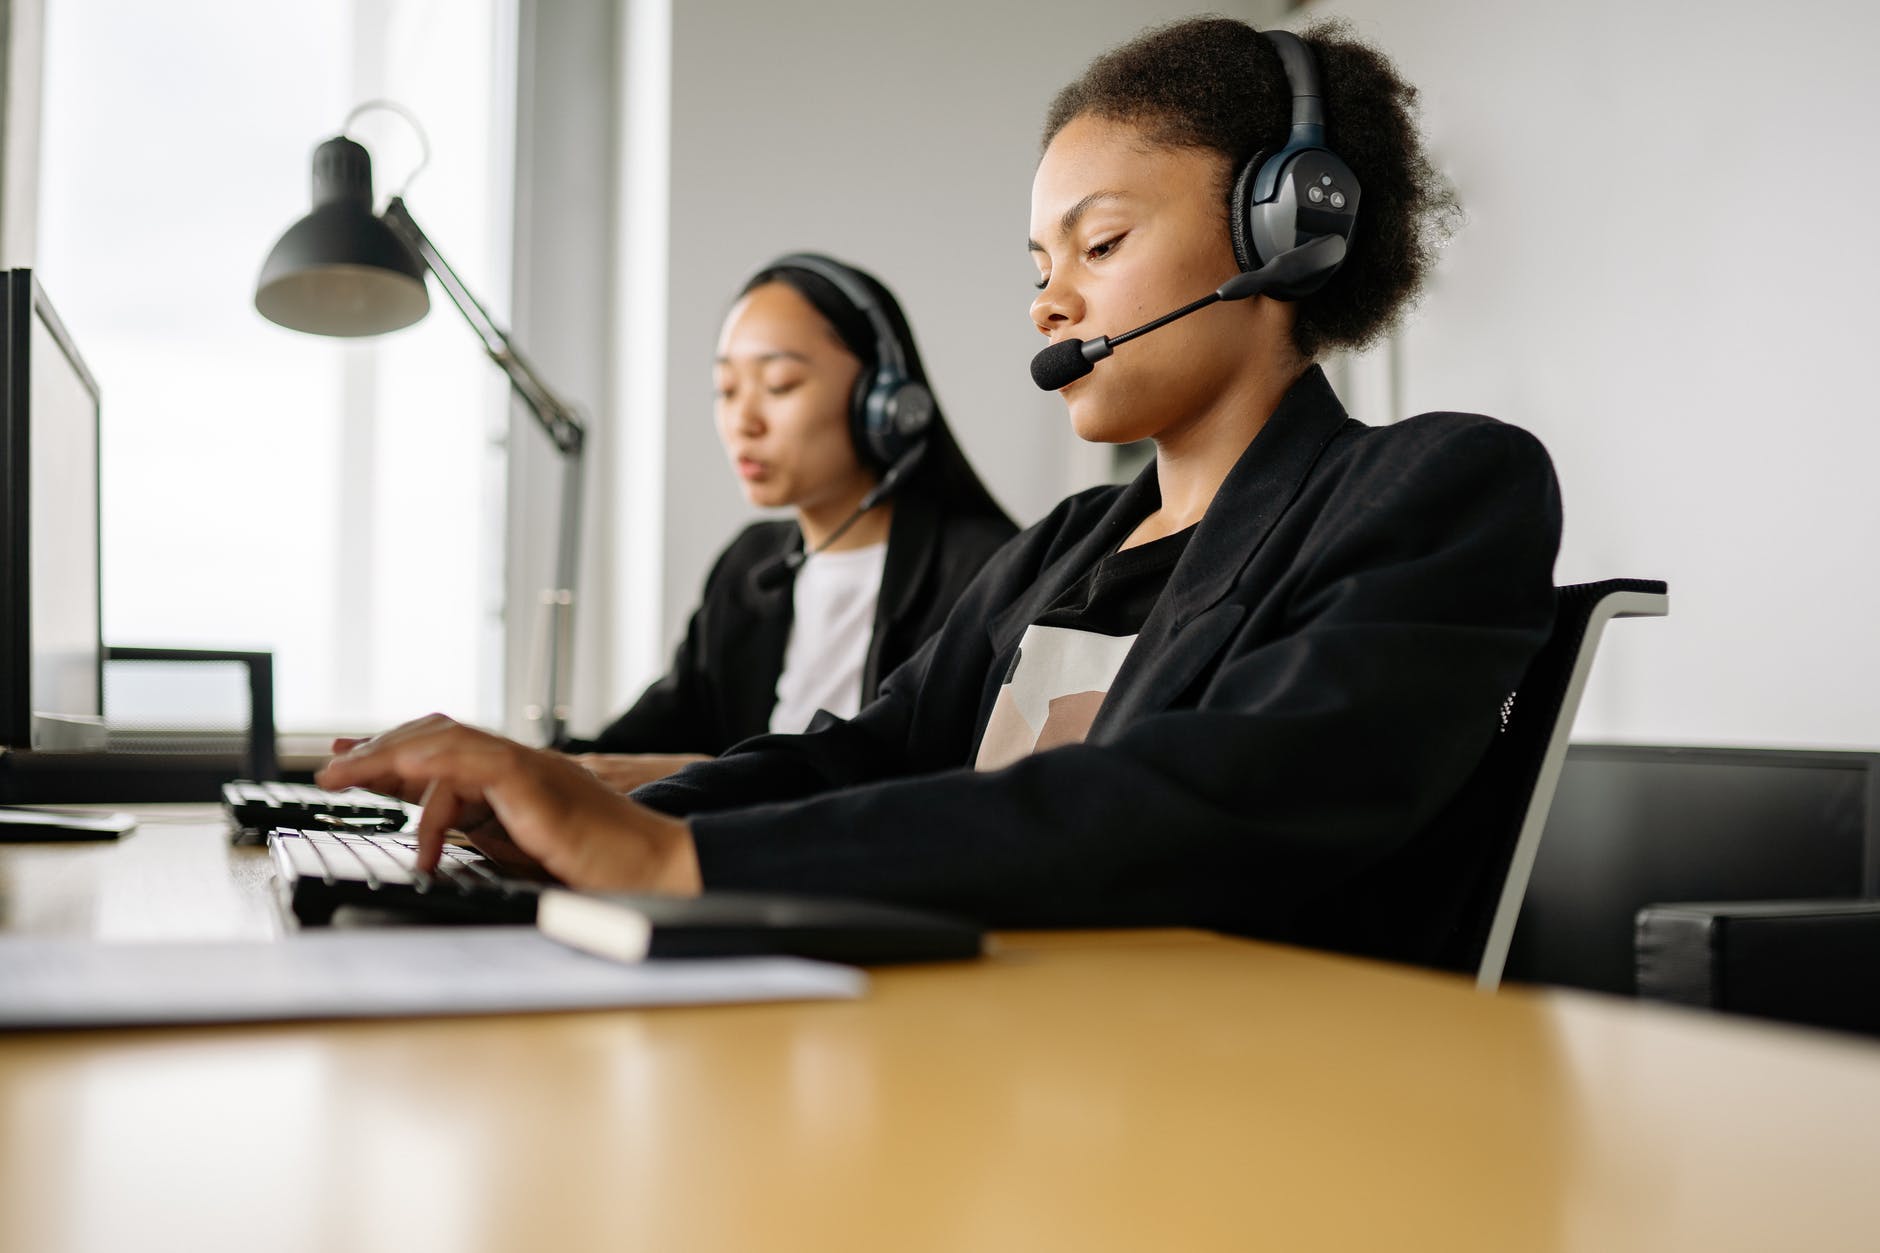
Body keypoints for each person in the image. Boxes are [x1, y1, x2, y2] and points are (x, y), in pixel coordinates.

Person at [321, 17, 1564, 968]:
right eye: (1039, 261)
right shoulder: (1074, 541)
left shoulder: (1434, 486)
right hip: (1006, 1028)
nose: (1050, 302)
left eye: (1101, 243)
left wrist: (675, 853)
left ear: (1284, 228)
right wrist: (571, 810)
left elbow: (1208, 802)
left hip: (1226, 1074)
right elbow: (864, 758)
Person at [559, 254, 1015, 793]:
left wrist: (708, 779)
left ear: (885, 404)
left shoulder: (989, 573)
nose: (742, 422)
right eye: (726, 389)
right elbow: (638, 740)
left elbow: (938, 791)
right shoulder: (753, 565)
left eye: (778, 385)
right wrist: (518, 766)